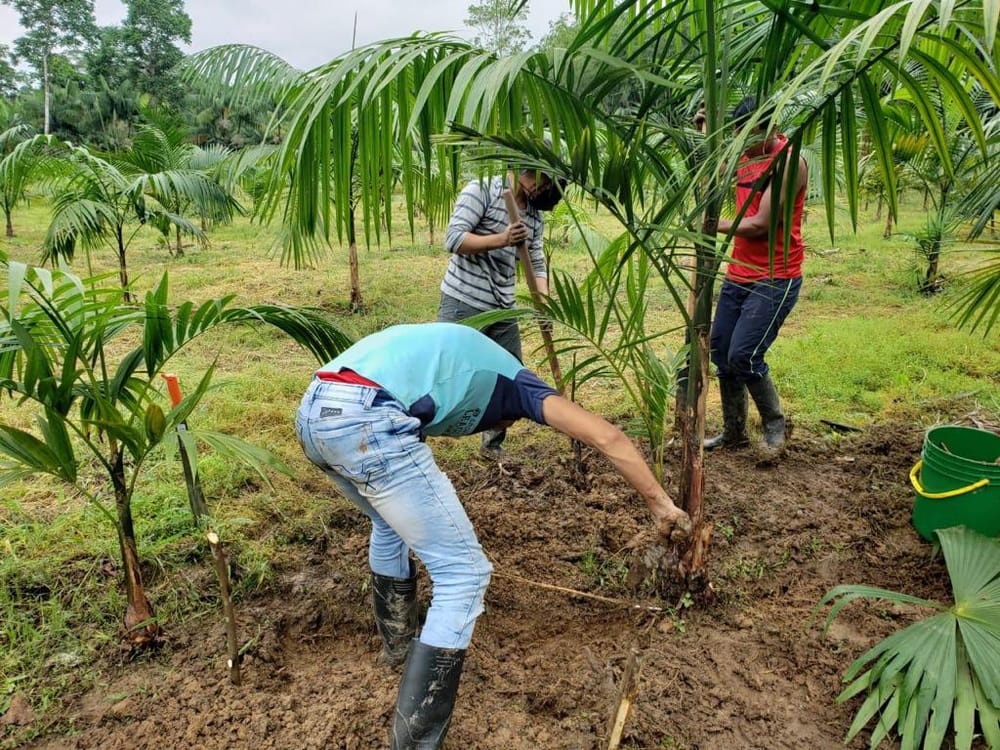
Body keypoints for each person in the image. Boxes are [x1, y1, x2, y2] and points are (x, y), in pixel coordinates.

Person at [295, 322, 690, 750]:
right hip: (366, 417)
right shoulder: (520, 385)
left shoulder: (458, 364)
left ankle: (398, 648)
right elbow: (606, 435)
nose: (503, 425)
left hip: (315, 412)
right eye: (507, 422)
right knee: (463, 574)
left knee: (389, 523)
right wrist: (661, 504)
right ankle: (414, 743)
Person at [437, 163, 565, 457]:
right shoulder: (481, 190)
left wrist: (544, 301)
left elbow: (535, 258)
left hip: (504, 306)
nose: (545, 190)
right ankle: (416, 430)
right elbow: (454, 239)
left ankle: (492, 443)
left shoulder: (534, 214)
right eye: (545, 182)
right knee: (446, 374)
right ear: (525, 170)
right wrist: (503, 239)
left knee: (510, 375)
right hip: (464, 300)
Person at [705, 96, 808, 454]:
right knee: (721, 351)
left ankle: (775, 428)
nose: (743, 143)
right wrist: (705, 132)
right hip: (740, 272)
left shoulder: (789, 162)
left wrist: (710, 224)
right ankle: (734, 433)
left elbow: (761, 224)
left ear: (771, 128)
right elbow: (715, 173)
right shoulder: (745, 155)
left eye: (750, 135)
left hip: (775, 276)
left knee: (744, 355)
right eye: (738, 134)